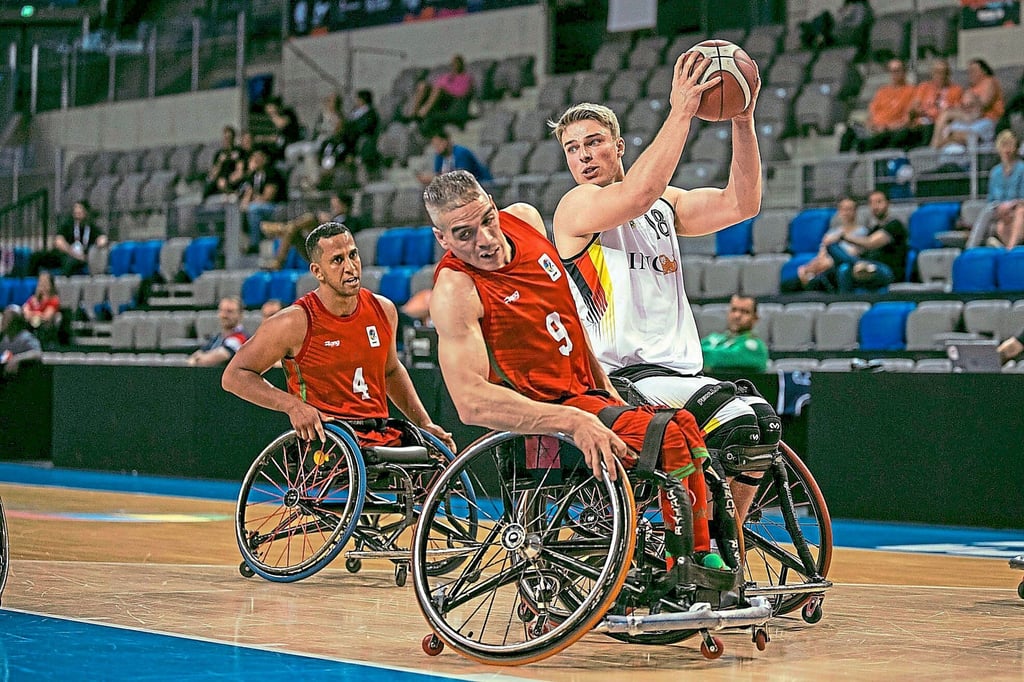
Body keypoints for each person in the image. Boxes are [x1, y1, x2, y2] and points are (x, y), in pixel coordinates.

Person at [424, 169, 724, 571]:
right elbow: (470, 402)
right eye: (464, 235)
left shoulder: (526, 220)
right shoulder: (455, 290)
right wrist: (573, 421)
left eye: (487, 221)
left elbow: (569, 318)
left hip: (590, 395)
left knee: (685, 425)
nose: (486, 240)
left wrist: (606, 388)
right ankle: (685, 566)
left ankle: (701, 554)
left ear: (493, 206)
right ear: (442, 238)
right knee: (668, 436)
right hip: (548, 416)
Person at [548, 51, 777, 546]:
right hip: (620, 379)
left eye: (594, 142)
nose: (584, 155)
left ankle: (726, 543)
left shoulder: (665, 205)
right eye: (572, 148)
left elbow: (742, 203)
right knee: (737, 420)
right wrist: (682, 111)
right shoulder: (576, 206)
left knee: (763, 422)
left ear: (618, 146)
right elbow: (635, 195)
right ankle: (708, 547)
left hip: (676, 375)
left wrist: (742, 120)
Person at [222, 222, 454, 452]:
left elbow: (391, 371)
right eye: (337, 260)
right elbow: (234, 376)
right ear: (317, 272)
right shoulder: (294, 322)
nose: (350, 267)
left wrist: (425, 423)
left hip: (379, 435)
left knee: (438, 458)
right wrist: (292, 406)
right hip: (328, 441)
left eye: (353, 255)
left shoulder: (384, 310)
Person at [827, 189, 909, 292]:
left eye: (879, 202)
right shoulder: (873, 229)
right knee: (843, 266)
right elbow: (861, 250)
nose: (875, 206)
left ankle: (860, 264)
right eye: (871, 203)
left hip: (887, 271)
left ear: (887, 203)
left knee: (845, 263)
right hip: (868, 267)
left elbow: (870, 243)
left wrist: (843, 237)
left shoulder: (894, 225)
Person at [260, 192, 363, 270]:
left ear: (344, 206)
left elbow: (345, 237)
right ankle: (285, 232)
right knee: (294, 233)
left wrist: (329, 223)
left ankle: (281, 229)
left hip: (330, 252)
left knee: (311, 218)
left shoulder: (352, 220)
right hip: (318, 249)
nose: (333, 207)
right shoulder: (333, 218)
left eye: (336, 205)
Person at [794, 196, 869, 292]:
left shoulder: (863, 232)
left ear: (855, 211)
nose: (846, 212)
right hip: (825, 268)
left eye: (849, 209)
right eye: (843, 209)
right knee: (791, 283)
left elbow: (852, 255)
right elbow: (821, 257)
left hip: (845, 268)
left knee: (838, 268)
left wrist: (827, 262)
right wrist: (807, 268)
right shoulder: (831, 233)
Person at [840, 59, 915, 153]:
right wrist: (870, 125)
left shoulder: (911, 91)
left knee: (873, 140)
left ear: (904, 71)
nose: (894, 74)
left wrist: (886, 127)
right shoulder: (882, 91)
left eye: (897, 70)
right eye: (891, 71)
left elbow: (907, 119)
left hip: (889, 131)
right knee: (849, 132)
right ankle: (841, 160)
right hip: (873, 129)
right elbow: (871, 114)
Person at [966, 129, 1024, 249]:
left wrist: (1009, 206)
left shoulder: (1021, 169)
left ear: (1015, 147)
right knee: (988, 212)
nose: (1007, 149)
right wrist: (1000, 208)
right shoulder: (995, 172)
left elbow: (1022, 197)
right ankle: (971, 247)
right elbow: (991, 199)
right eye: (1004, 145)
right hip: (998, 208)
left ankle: (1010, 248)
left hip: (1016, 207)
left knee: (1019, 212)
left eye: (1010, 145)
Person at [931, 58, 1005, 149]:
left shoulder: (989, 82)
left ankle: (942, 141)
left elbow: (982, 106)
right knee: (945, 117)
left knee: (949, 122)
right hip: (969, 120)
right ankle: (941, 142)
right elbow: (964, 105)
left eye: (974, 70)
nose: (970, 74)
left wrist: (971, 101)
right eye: (969, 71)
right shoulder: (971, 88)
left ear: (984, 71)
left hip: (985, 119)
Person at [895, 58, 963, 150]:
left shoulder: (956, 90)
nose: (941, 76)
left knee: (927, 131)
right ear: (932, 73)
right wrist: (918, 111)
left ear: (948, 74)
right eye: (937, 72)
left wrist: (932, 113)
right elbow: (913, 108)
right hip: (919, 126)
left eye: (944, 72)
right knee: (900, 135)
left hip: (937, 128)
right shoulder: (924, 87)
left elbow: (954, 112)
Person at [29, 200, 108, 276]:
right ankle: (30, 281)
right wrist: (74, 253)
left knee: (69, 262)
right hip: (65, 254)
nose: (77, 211)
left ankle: (63, 283)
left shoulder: (91, 227)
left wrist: (100, 243)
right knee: (36, 257)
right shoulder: (68, 225)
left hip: (80, 259)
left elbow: (102, 238)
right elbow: (58, 241)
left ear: (86, 212)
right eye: (75, 209)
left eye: (80, 209)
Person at [404, 54, 474, 132]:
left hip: (451, 98)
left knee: (439, 89)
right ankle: (414, 113)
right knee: (423, 85)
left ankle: (422, 113)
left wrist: (447, 88)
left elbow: (462, 92)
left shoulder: (466, 78)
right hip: (439, 94)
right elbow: (437, 84)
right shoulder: (447, 76)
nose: (455, 66)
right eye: (453, 64)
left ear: (462, 65)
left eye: (457, 63)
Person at [701, 296, 769, 374]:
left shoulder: (756, 347)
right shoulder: (713, 338)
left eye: (745, 312)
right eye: (734, 310)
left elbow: (722, 358)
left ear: (755, 318)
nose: (737, 316)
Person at [239, 149, 287, 254]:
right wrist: (244, 205)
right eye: (254, 157)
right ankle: (239, 246)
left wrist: (251, 202)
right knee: (237, 211)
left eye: (259, 156)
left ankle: (254, 244)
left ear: (265, 159)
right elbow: (247, 195)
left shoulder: (272, 173)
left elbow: (268, 197)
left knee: (254, 209)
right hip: (259, 205)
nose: (256, 159)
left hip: (277, 206)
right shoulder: (253, 176)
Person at [415, 127, 492, 186]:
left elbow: (461, 177)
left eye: (438, 144)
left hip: (482, 185)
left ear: (447, 141)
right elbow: (439, 174)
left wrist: (434, 178)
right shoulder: (440, 157)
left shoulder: (461, 153)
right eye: (435, 146)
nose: (437, 148)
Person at [188, 296, 249, 367]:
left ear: (240, 315)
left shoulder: (241, 338)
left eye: (230, 311)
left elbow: (211, 359)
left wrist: (199, 359)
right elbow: (194, 356)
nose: (224, 315)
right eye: (221, 311)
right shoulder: (218, 337)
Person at [203, 125, 246, 200]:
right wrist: (220, 162)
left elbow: (240, 170)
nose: (227, 140)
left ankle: (231, 193)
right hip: (219, 179)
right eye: (225, 138)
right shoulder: (219, 154)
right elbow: (214, 173)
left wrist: (236, 159)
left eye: (229, 137)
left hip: (232, 179)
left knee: (225, 183)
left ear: (233, 138)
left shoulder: (238, 151)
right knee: (207, 188)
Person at [0, 305, 42, 378]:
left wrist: (17, 358)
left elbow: (37, 353)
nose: (2, 322)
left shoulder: (25, 337)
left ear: (15, 323)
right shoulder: (5, 338)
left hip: (24, 379)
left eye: (6, 319)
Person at [22, 271, 61, 345]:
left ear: (51, 284)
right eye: (40, 281)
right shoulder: (33, 299)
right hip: (30, 323)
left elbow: (46, 317)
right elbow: (24, 311)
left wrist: (32, 314)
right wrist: (36, 314)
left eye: (45, 282)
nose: (42, 284)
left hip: (44, 326)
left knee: (36, 321)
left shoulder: (54, 300)